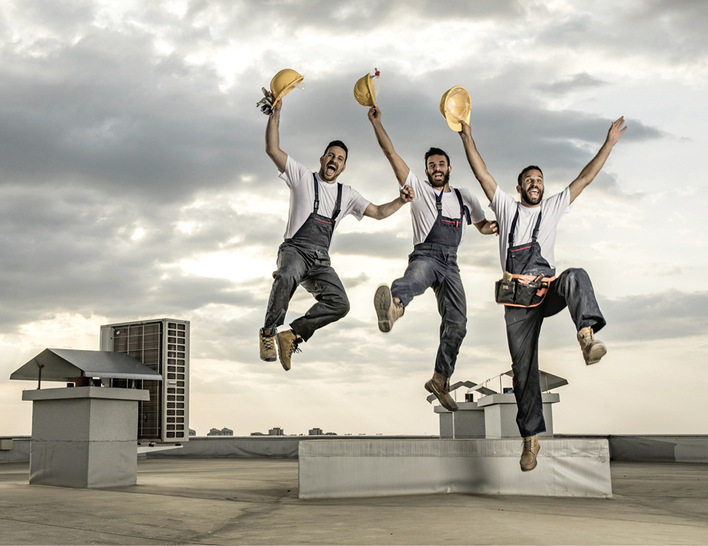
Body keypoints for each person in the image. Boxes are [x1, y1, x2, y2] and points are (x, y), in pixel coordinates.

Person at [457, 115, 627, 471]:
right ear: (519, 189)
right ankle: (530, 439)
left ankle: (586, 335)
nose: (535, 184)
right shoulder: (505, 207)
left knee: (576, 275)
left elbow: (584, 178)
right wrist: (467, 134)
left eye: (539, 180)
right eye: (528, 181)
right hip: (517, 300)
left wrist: (608, 143)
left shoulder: (553, 207)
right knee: (523, 370)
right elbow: (481, 173)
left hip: (547, 289)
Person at [260, 100, 415, 371]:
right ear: (322, 159)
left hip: (320, 261)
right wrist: (276, 114)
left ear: (344, 167)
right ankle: (269, 333)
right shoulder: (302, 177)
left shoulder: (348, 195)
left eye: (340, 159)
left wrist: (400, 201)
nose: (334, 160)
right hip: (295, 250)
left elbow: (378, 212)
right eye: (331, 155)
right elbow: (272, 148)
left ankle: (293, 335)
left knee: (340, 304)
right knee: (286, 275)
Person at [367, 106, 498, 411]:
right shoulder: (420, 190)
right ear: (425, 171)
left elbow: (481, 226)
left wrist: (495, 227)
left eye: (441, 164)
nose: (436, 168)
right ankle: (393, 309)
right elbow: (390, 154)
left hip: (451, 264)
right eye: (431, 165)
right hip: (426, 255)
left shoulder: (465, 197)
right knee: (412, 280)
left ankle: (440, 379)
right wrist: (377, 124)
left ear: (450, 168)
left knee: (458, 322)